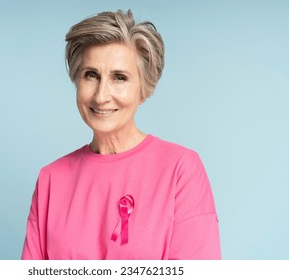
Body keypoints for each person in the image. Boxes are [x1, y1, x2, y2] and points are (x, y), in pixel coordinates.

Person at [21, 9, 221, 260]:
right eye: (91, 75)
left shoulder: (180, 169)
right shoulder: (51, 179)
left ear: (144, 89)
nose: (101, 96)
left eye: (120, 78)